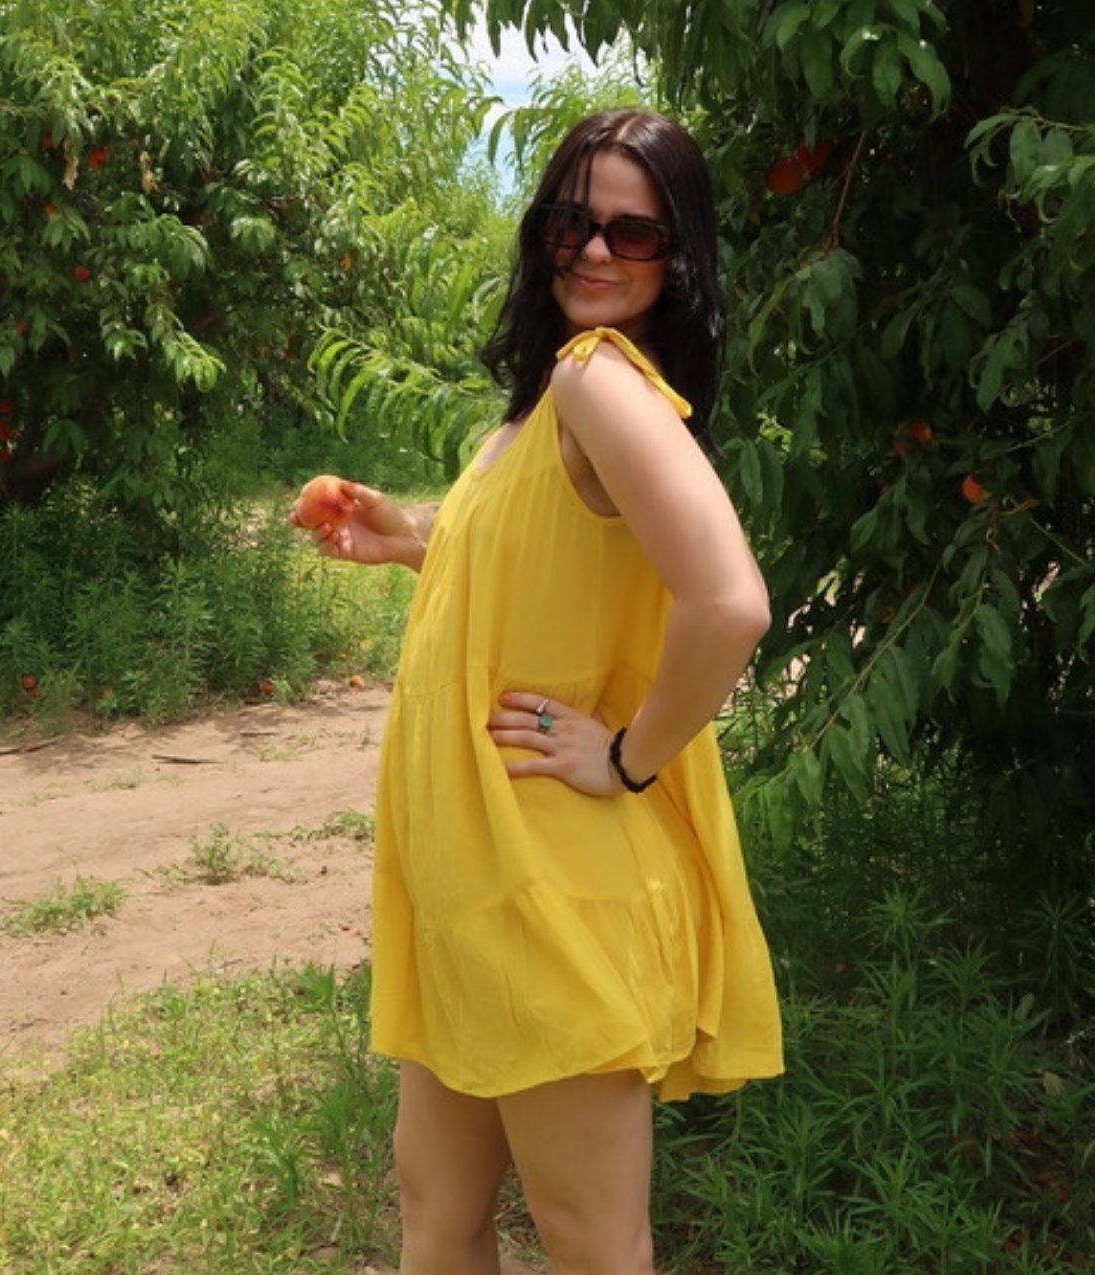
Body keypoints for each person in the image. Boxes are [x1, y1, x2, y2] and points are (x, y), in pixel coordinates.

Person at [298, 108, 782, 1275]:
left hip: (551, 882)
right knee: (438, 1214)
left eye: (635, 232)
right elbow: (539, 565)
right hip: (476, 881)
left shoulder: (598, 382)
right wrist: (415, 540)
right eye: (573, 222)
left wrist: (626, 758)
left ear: (679, 257)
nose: (597, 250)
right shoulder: (537, 406)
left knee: (590, 1245)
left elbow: (730, 604)